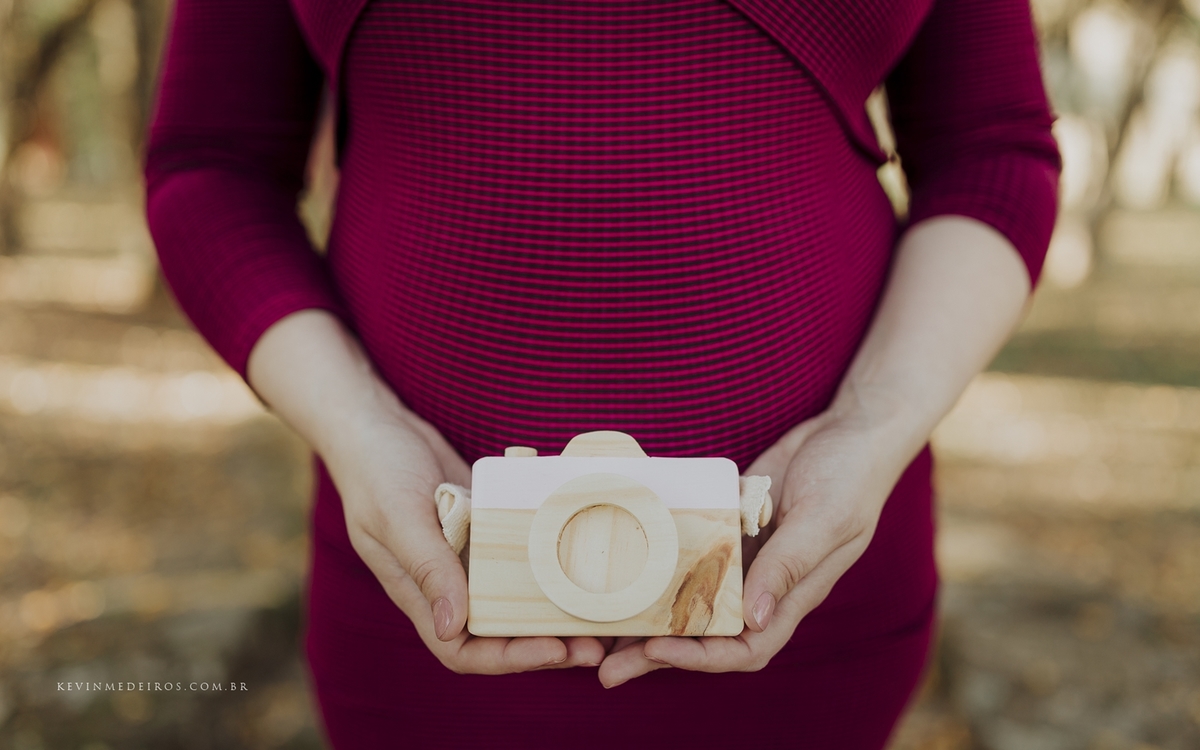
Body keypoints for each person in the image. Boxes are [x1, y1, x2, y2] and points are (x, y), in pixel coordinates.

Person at [144, 0, 1060, 746]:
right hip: (431, 593)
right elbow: (212, 164)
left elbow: (990, 149)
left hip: (801, 586)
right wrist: (356, 427)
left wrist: (873, 424)